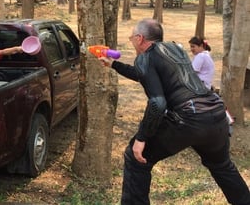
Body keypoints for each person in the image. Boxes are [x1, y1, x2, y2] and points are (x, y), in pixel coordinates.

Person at [99, 18, 250, 205]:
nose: (131, 42)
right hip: (216, 113)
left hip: (189, 119)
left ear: (139, 38)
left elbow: (158, 103)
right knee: (222, 167)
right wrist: (113, 64)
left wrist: (141, 138)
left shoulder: (145, 58)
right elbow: (144, 75)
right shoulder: (175, 49)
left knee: (136, 157)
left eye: (131, 38)